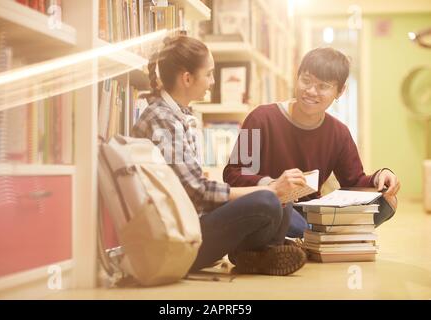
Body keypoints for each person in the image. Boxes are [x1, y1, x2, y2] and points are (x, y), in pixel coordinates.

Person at [132, 35, 307, 276]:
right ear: (187, 78)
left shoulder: (179, 115)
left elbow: (196, 190)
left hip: (192, 221)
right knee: (268, 201)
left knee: (281, 202)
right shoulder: (162, 120)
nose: (212, 82)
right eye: (210, 74)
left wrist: (274, 191)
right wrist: (269, 190)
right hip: (179, 236)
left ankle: (258, 255)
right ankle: (263, 253)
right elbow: (198, 191)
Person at [223, 47, 400, 238]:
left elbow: (354, 181)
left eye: (323, 86)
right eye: (306, 81)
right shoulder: (261, 118)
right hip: (271, 206)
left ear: (340, 91)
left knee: (386, 202)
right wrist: (273, 185)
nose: (311, 91)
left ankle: (297, 241)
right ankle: (315, 238)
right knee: (283, 215)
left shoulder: (339, 133)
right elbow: (234, 174)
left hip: (310, 213)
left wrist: (380, 177)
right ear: (296, 77)